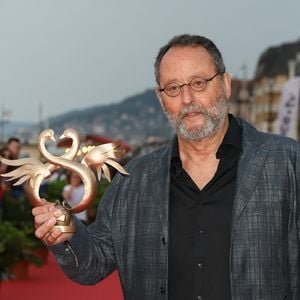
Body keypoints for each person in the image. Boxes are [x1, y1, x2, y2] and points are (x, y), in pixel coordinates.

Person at [32, 34, 300, 299]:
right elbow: (93, 263)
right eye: (173, 88)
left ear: (226, 85)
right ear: (161, 99)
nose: (187, 99)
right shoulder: (133, 180)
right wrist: (65, 233)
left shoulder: (287, 163)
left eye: (198, 83)